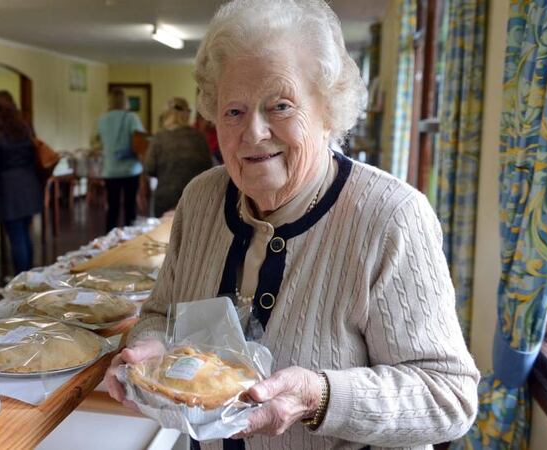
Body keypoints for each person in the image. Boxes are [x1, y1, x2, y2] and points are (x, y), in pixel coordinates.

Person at [105, 1, 480, 449]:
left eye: (280, 106)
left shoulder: (391, 217)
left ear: (328, 111)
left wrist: (320, 398)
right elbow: (159, 316)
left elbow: (448, 396)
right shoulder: (201, 199)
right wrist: (151, 351)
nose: (254, 133)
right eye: (234, 112)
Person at [0, 90, 43, 273]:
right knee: (26, 234)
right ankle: (29, 277)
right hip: (30, 184)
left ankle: (20, 280)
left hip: (9, 190)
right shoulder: (25, 128)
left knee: (17, 237)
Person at [145, 97, 212, 217]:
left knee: (165, 234)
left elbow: (150, 168)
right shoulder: (199, 137)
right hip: (195, 197)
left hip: (166, 197)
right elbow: (209, 166)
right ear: (187, 114)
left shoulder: (159, 138)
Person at [97, 88, 145, 231]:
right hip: (131, 169)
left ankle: (109, 241)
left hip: (110, 170)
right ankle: (129, 241)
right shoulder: (131, 117)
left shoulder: (102, 119)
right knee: (130, 207)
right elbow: (140, 140)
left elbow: (96, 141)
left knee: (112, 208)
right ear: (125, 102)